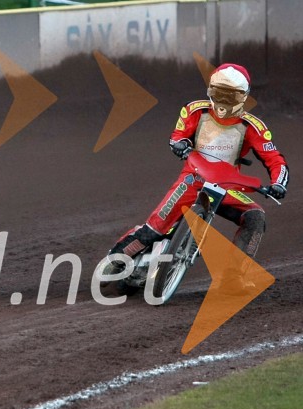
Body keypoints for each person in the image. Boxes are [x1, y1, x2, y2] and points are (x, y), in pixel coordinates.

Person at [106, 63, 289, 277]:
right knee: (154, 229)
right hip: (192, 179)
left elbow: (274, 158)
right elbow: (178, 135)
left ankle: (235, 277)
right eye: (220, 93)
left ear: (243, 97)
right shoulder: (195, 110)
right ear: (211, 90)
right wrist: (180, 144)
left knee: (255, 216)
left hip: (228, 186)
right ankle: (114, 260)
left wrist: (278, 183)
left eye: (231, 96)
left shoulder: (254, 127)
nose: (224, 101)